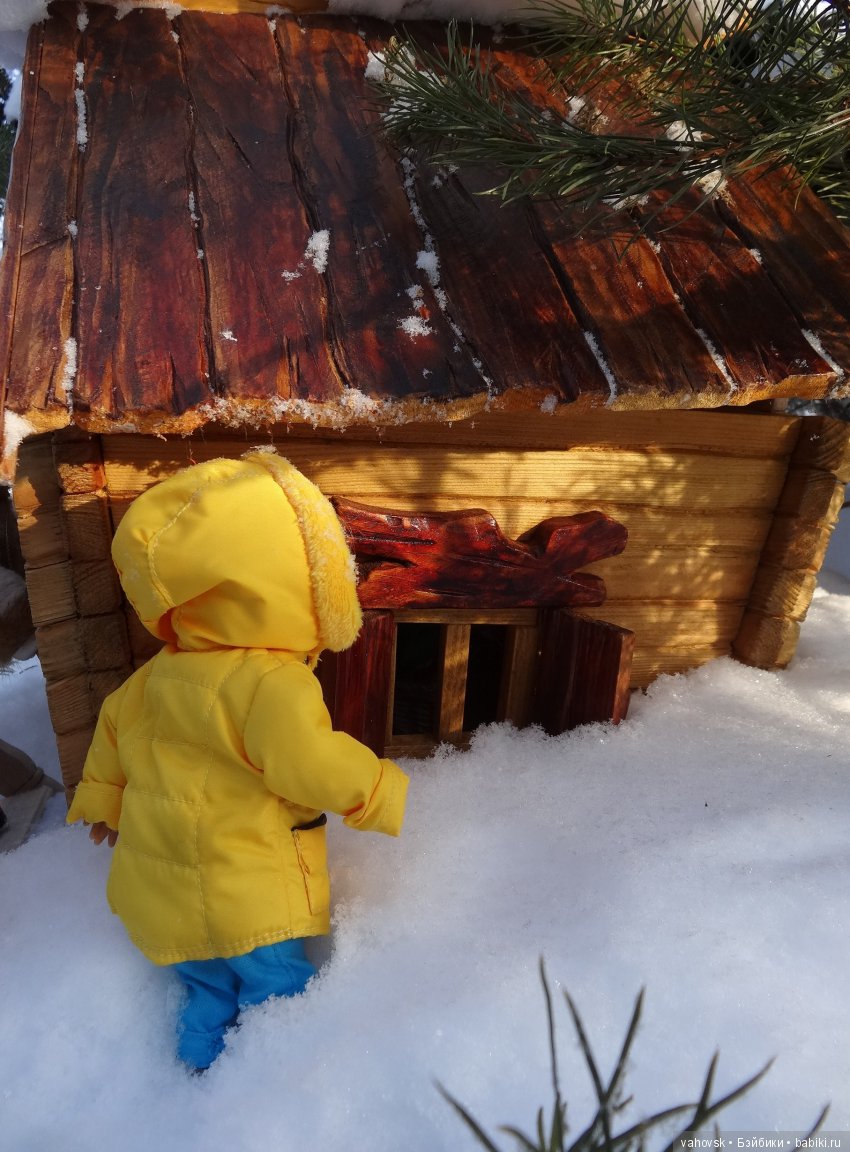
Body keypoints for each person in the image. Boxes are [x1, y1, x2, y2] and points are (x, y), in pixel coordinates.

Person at [67, 449, 409, 1072]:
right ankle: (272, 1094)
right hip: (250, 902)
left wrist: (102, 800)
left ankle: (197, 1077)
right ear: (295, 585)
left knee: (208, 991)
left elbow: (110, 735)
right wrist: (378, 789)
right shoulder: (271, 681)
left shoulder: (153, 678)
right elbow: (306, 760)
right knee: (279, 992)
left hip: (161, 905)